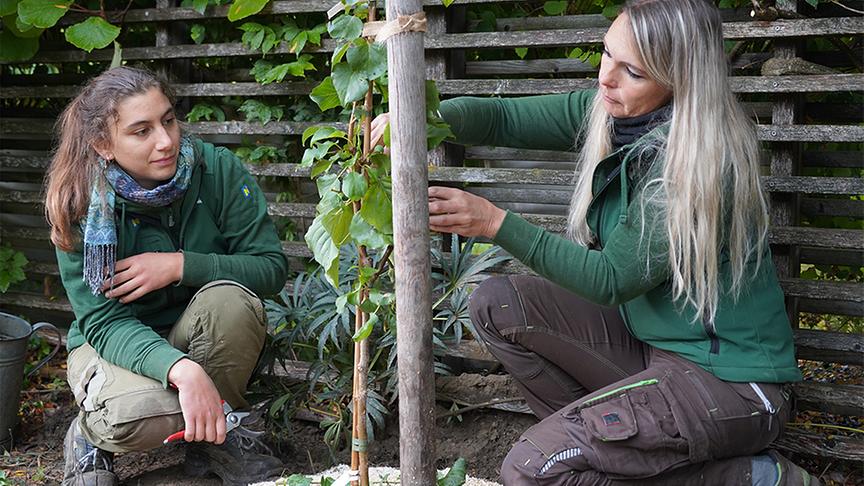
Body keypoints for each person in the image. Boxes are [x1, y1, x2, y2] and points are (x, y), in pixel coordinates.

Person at [374, 0, 816, 484]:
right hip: (653, 353)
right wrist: (418, 116)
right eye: (607, 53)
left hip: (732, 386)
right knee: (498, 305)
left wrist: (493, 223)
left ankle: (748, 478)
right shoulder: (612, 113)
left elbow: (610, 280)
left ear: (680, 80)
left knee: (532, 470)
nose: (606, 78)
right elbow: (501, 119)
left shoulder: (697, 164)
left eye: (633, 72)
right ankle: (613, 452)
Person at [44, 66, 290, 486]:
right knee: (134, 418)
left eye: (169, 120)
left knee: (232, 301)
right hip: (112, 345)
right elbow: (104, 322)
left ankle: (213, 440)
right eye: (142, 131)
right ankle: (89, 434)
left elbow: (270, 268)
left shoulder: (216, 170)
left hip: (197, 334)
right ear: (103, 144)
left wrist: (179, 265)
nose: (166, 141)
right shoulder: (80, 202)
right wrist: (183, 370)